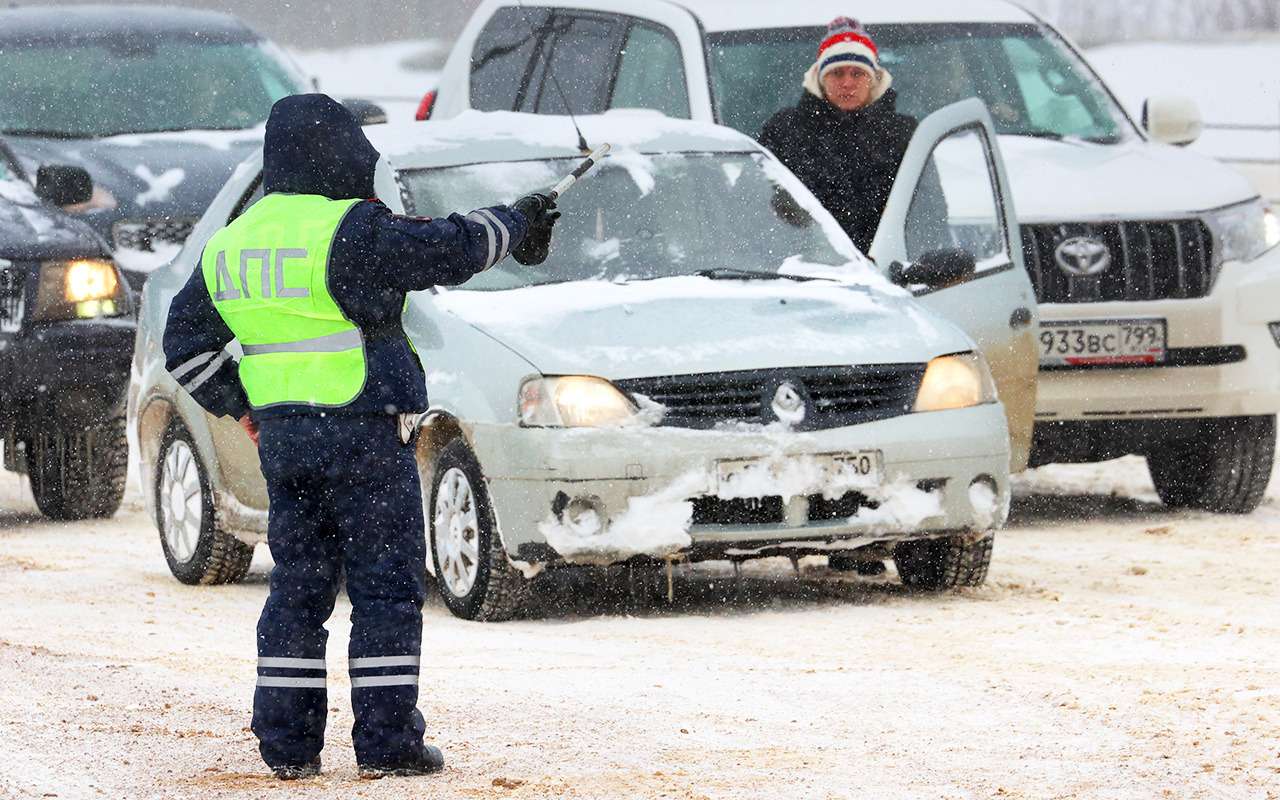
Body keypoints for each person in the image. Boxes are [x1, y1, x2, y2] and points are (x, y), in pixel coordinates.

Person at [162, 94, 558, 780]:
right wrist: (517, 220)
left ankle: (286, 747)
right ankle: (387, 744)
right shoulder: (352, 229)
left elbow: (185, 349)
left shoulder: (231, 242)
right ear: (338, 151)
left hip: (286, 442)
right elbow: (451, 248)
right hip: (364, 437)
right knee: (385, 590)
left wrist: (247, 408)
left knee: (298, 590)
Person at [759, 17, 920, 254]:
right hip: (797, 270)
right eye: (837, 73)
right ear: (821, 79)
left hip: (886, 269)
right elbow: (752, 202)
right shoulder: (784, 130)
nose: (847, 83)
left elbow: (926, 213)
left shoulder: (903, 134)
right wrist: (786, 211)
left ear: (874, 79)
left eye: (857, 73)